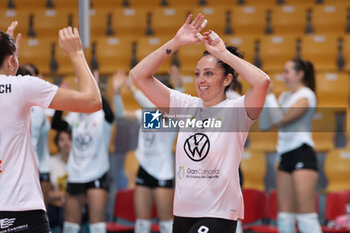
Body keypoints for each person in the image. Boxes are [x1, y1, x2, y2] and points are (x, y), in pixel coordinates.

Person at [129, 14, 270, 233]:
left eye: (209, 73)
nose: (201, 80)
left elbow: (262, 82)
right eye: (197, 74)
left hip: (218, 213)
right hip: (183, 212)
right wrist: (175, 43)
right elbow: (138, 75)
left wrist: (223, 54)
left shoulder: (237, 111)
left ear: (227, 80)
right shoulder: (185, 105)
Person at [0, 20, 101, 233]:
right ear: (11, 60)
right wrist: (76, 54)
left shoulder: (17, 87)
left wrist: (9, 61)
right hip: (22, 210)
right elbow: (93, 101)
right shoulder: (23, 86)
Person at [113, 66, 182, 233]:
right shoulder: (149, 113)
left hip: (163, 173)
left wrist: (131, 88)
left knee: (167, 224)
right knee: (142, 224)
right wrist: (116, 92)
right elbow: (121, 115)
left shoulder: (172, 115)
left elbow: (156, 107)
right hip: (144, 169)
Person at [259, 59, 321, 233]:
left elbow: (281, 121)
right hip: (284, 156)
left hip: (302, 153)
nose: (283, 75)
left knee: (306, 215)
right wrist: (265, 97)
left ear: (300, 74)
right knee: (285, 216)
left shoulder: (307, 95)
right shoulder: (284, 96)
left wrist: (270, 96)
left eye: (287, 71)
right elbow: (265, 125)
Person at [52, 72, 114, 233]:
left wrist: (96, 86)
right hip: (76, 174)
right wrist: (61, 97)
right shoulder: (74, 115)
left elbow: (111, 114)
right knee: (70, 226)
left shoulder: (101, 115)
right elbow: (56, 124)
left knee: (97, 226)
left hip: (97, 173)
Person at [16, 65, 52, 207]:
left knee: (41, 214)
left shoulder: (40, 108)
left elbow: (48, 127)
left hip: (39, 167)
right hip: (17, 169)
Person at [48, 129, 72, 232]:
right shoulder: (51, 162)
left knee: (66, 213)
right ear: (57, 143)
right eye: (62, 139)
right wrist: (61, 199)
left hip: (78, 204)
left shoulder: (80, 163)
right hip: (55, 205)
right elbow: (47, 195)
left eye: (69, 139)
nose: (66, 143)